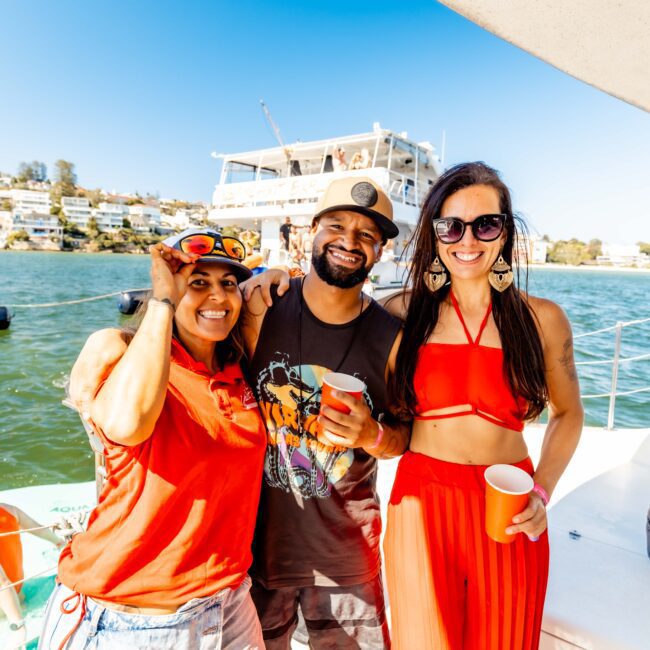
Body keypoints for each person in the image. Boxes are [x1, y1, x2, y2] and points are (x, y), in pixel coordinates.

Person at [382, 162, 583, 649]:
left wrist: (542, 491)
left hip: (510, 505)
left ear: (505, 232)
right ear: (434, 233)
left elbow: (569, 413)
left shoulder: (542, 319)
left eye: (485, 225)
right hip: (420, 502)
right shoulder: (399, 314)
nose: (466, 241)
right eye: (451, 227)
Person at [41, 229, 267, 649]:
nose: (217, 297)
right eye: (198, 283)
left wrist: (277, 276)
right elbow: (127, 425)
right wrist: (163, 298)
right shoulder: (132, 361)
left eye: (227, 284)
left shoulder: (238, 371)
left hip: (229, 601)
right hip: (130, 616)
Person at [240, 176, 409, 648]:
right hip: (256, 551)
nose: (348, 242)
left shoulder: (392, 338)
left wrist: (370, 433)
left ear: (379, 252)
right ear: (310, 231)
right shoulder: (261, 307)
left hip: (346, 554)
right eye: (336, 225)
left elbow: (403, 437)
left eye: (366, 236)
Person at [1, 504, 63, 650]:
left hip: (5, 604)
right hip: (19, 595)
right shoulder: (9, 511)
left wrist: (19, 627)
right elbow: (39, 529)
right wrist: (59, 542)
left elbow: (3, 584)